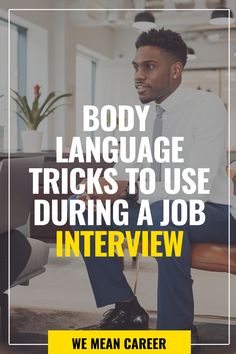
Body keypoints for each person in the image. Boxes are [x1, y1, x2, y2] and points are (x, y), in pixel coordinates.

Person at [69, 28, 236, 348]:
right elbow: (124, 172)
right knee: (81, 206)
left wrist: (130, 190)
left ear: (175, 70)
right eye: (135, 67)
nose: (138, 75)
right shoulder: (140, 117)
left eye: (148, 66)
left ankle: (177, 331)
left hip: (214, 212)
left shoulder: (207, 106)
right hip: (158, 208)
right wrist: (102, 188)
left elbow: (195, 184)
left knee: (167, 214)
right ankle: (126, 310)